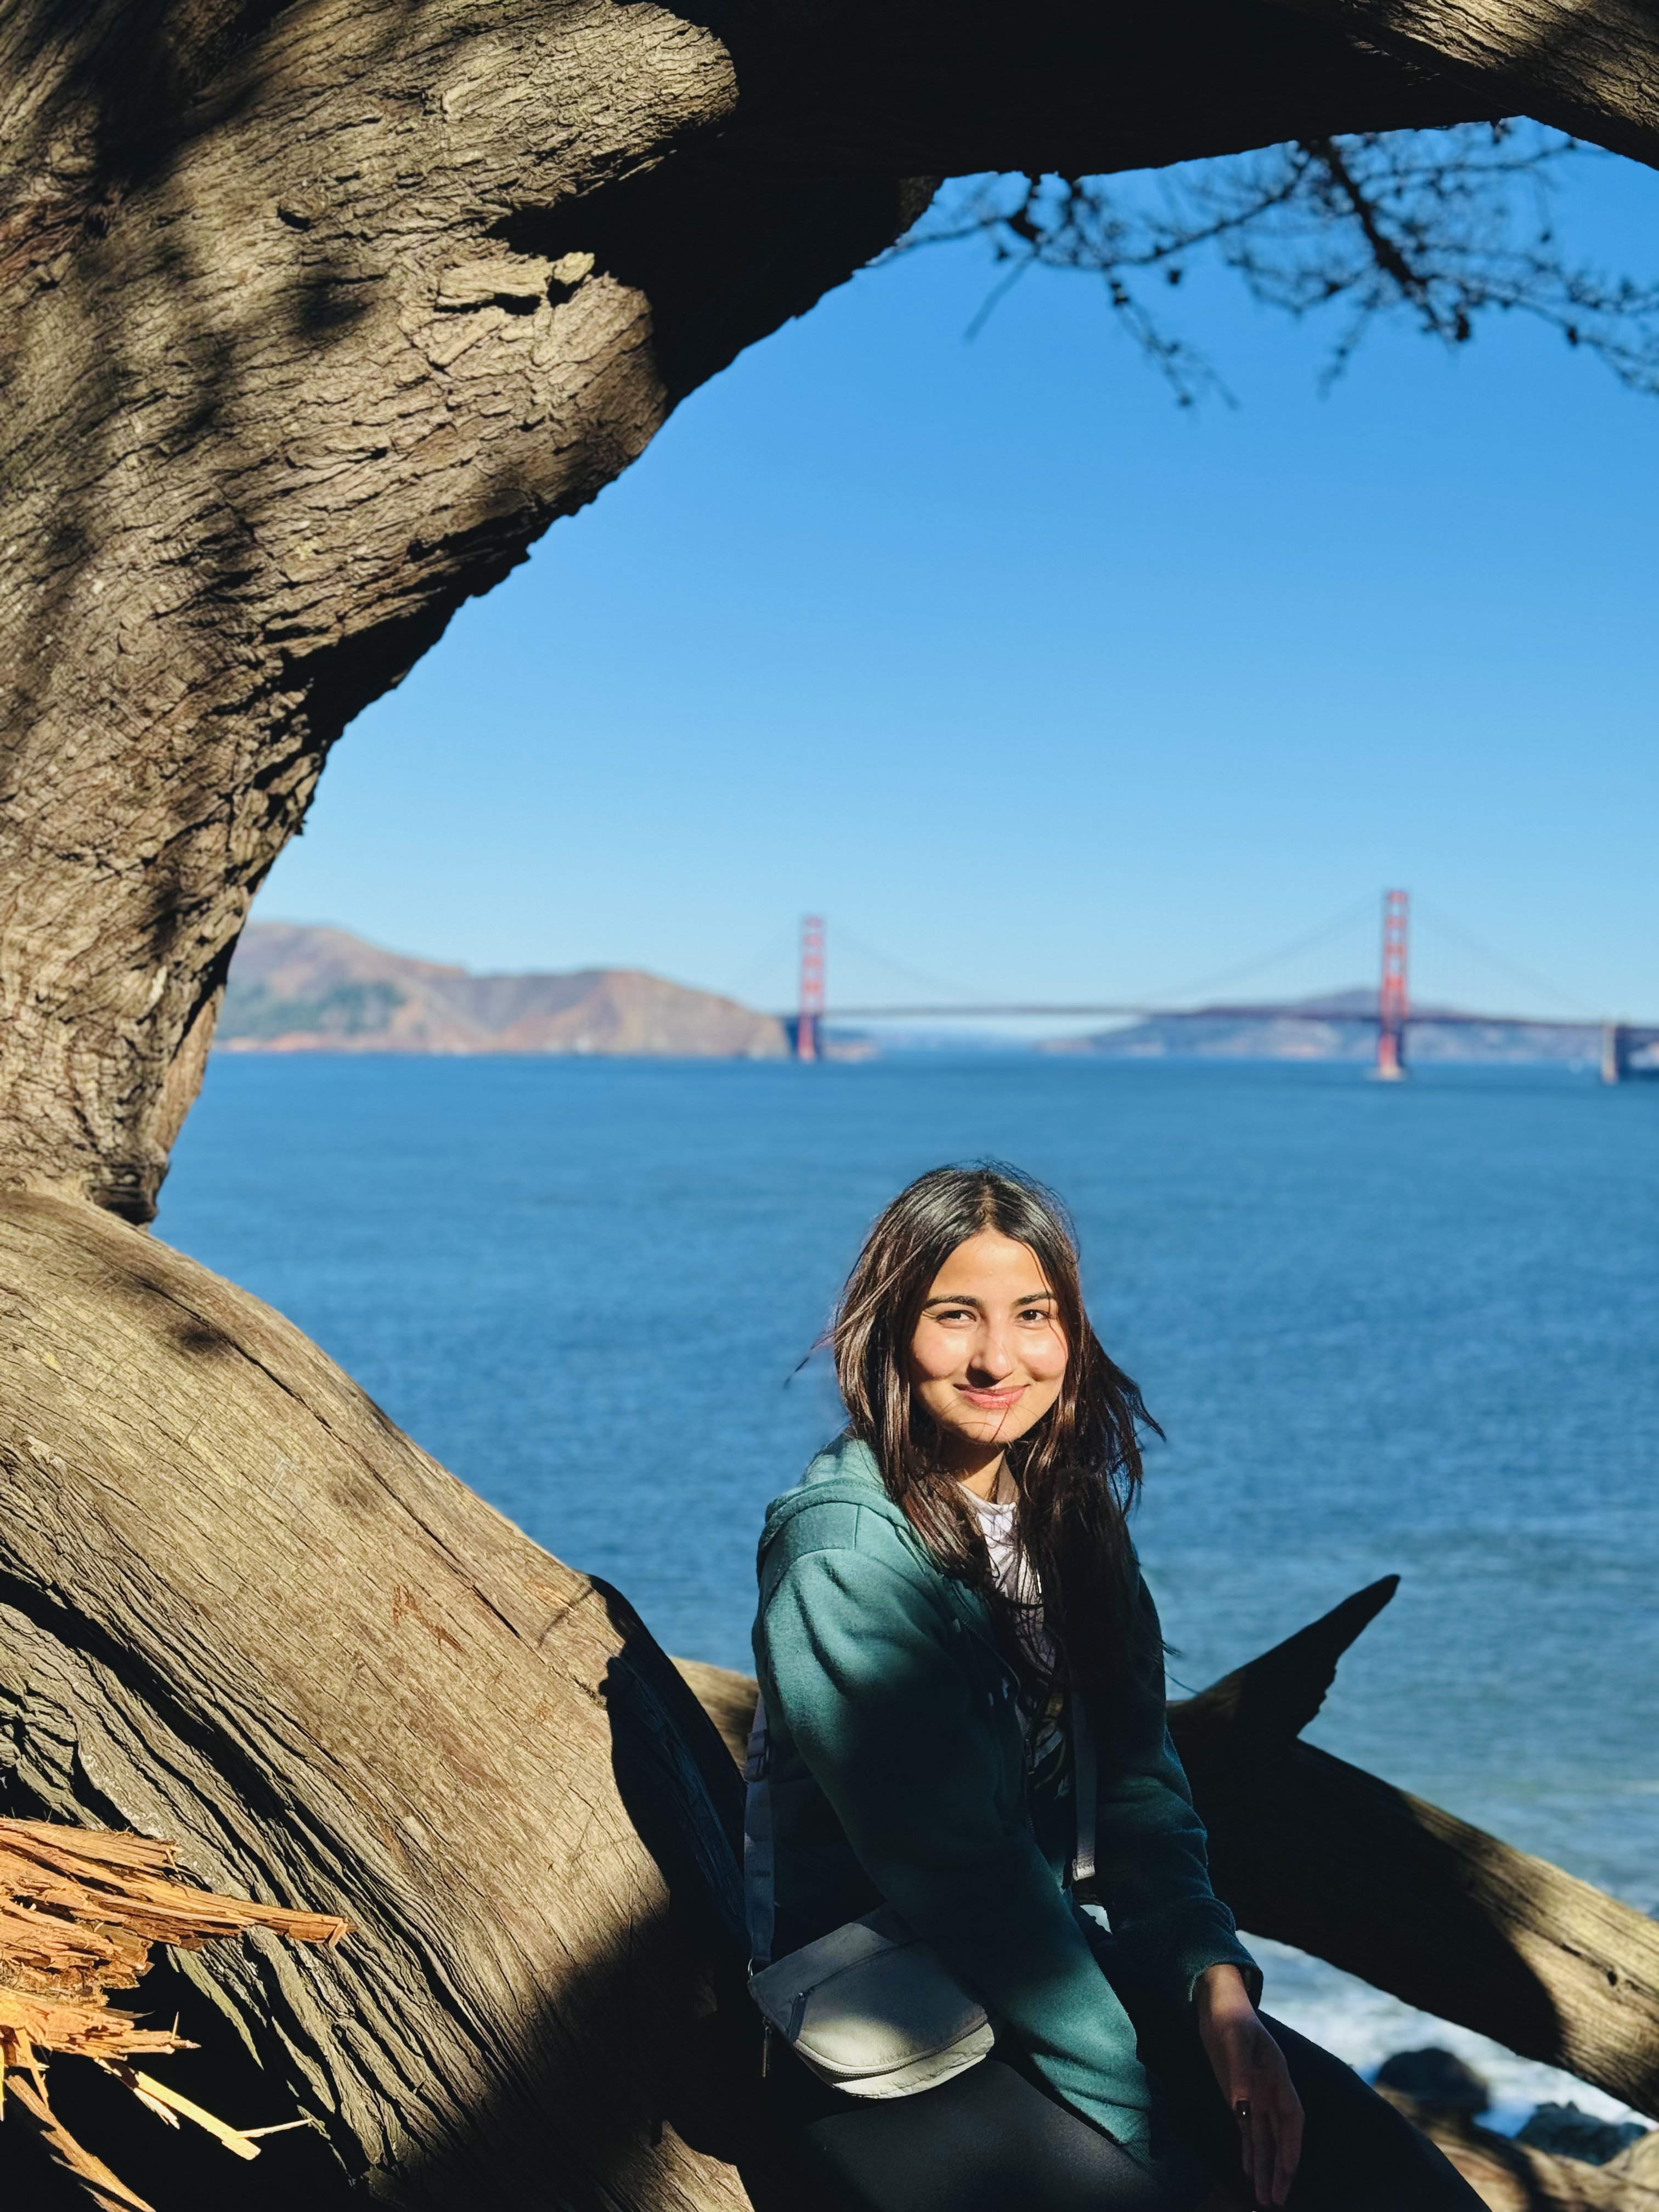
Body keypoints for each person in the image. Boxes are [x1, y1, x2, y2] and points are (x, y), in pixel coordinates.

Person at [750, 1163, 1483, 2212]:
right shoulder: (842, 1558)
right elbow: (966, 1880)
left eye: (1033, 1315)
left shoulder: (1068, 1513)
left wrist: (1216, 1990)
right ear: (890, 1333)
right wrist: (1148, 2122)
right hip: (879, 2022)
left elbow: (1141, 1792)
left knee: (1395, 2184)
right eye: (955, 1315)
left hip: (1046, 1968)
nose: (997, 1357)